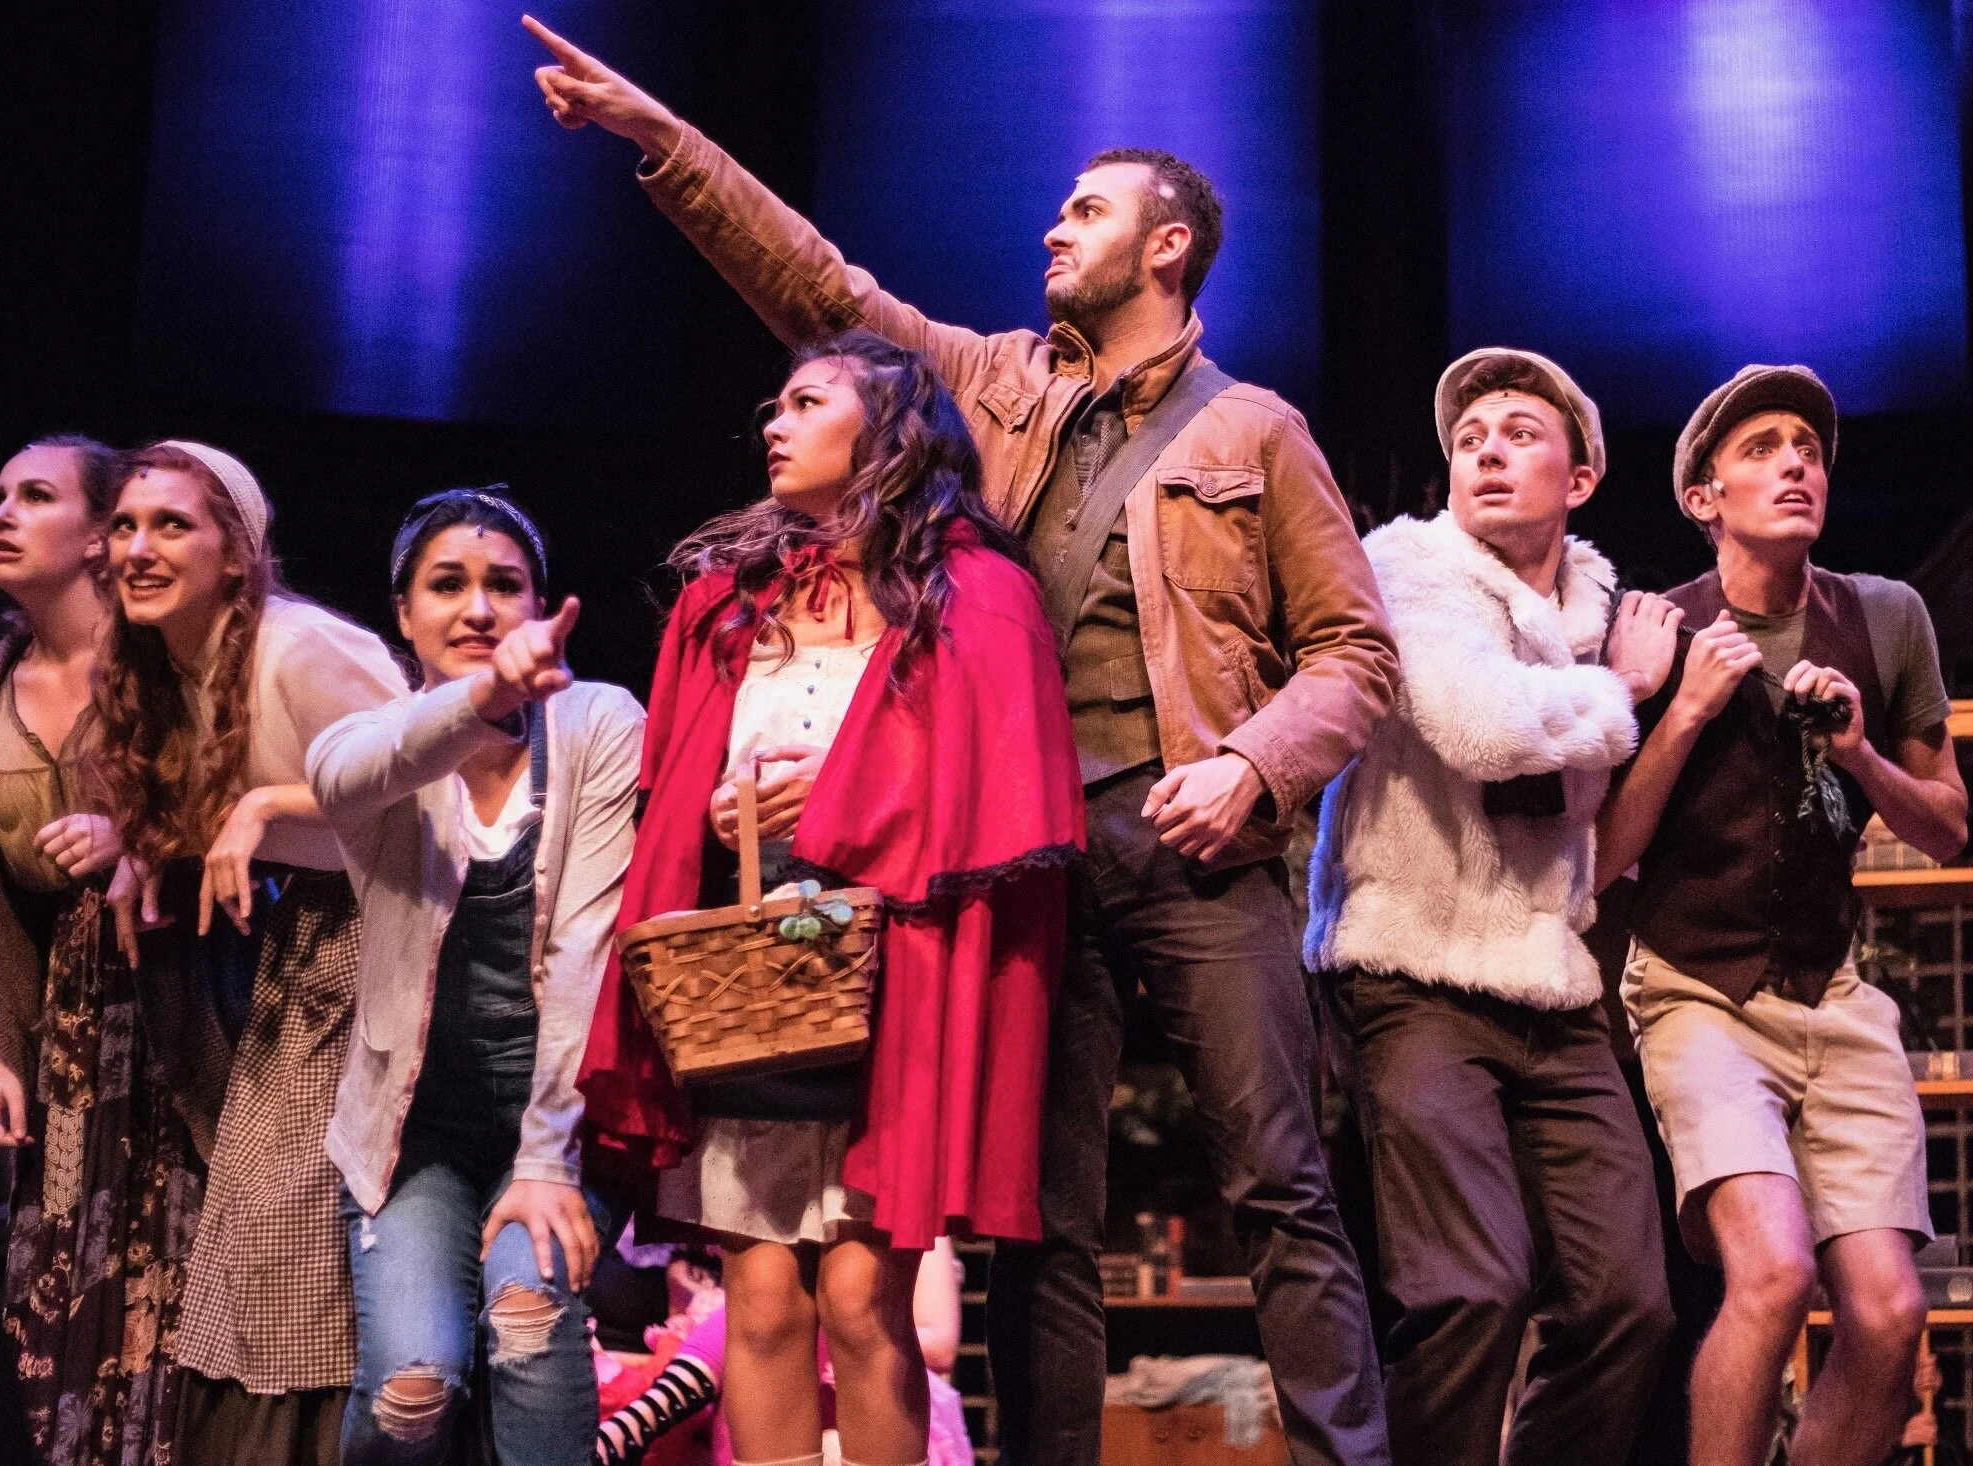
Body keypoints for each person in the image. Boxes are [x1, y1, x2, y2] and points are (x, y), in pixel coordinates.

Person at [524, 21, 1398, 1463]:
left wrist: (1252, 762)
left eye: (1087, 210)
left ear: (1168, 245)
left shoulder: (1258, 431)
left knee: (1281, 1182)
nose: (1054, 228)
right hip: (1018, 849)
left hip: (1194, 835)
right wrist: (659, 141)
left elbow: (1358, 653)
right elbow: (820, 288)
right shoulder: (993, 383)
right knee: (1039, 1217)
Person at [577, 330, 1084, 1466]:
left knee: (861, 1295)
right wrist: (721, 812)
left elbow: (1004, 788)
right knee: (760, 1301)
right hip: (752, 977)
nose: (776, 423)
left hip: (899, 970)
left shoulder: (976, 596)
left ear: (888, 431)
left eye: (807, 402)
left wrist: (846, 796)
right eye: (775, 406)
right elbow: (675, 782)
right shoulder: (728, 601)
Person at [1304, 350, 1675, 1462]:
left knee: (1627, 1303)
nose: (1487, 453)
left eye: (1519, 434)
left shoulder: (1598, 609)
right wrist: (1629, 689)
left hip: (1551, 990)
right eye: (1469, 440)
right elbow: (1480, 723)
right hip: (1411, 974)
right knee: (1470, 1290)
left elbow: (1584, 819)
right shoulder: (1407, 566)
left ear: (1582, 477)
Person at [1594, 366, 1969, 1466]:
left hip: (1831, 990)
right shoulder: (1654, 631)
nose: (1795, 464)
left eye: (1807, 448)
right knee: (1771, 1271)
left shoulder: (1886, 617)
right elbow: (1601, 857)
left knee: (1891, 1314)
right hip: (1695, 989)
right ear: (1703, 497)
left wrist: (1859, 754)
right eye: (1760, 449)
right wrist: (1682, 710)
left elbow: (1948, 826)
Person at [310, 487, 643, 1464]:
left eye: (506, 584)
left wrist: (546, 1161)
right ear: (405, 613)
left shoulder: (597, 721)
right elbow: (337, 776)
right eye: (447, 585)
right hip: (414, 1137)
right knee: (411, 1388)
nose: (478, 608)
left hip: (565, 1120)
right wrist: (482, 698)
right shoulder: (375, 741)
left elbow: (585, 946)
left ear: (539, 606)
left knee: (530, 1313)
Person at [93, 440, 410, 1465]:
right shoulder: (168, 666)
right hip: (308, 939)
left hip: (387, 939)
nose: (139, 547)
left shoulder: (298, 649)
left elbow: (426, 787)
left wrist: (266, 806)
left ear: (236, 553)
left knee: (298, 1220)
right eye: (126, 525)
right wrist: (148, 849)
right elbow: (211, 798)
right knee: (248, 1219)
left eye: (171, 524)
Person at [0, 435, 209, 1465]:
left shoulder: (165, 671)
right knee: (49, 1276)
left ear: (98, 536)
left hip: (176, 1014)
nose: (1, 513)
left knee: (159, 1270)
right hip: (66, 1026)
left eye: (35, 496)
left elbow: (240, 821)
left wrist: (138, 839)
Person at [593, 1241, 974, 1466]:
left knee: (765, 1316)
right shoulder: (711, 1245)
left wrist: (835, 1335)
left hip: (865, 1379)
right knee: (752, 1321)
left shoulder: (903, 1215)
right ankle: (635, 1423)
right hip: (756, 1380)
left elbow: (941, 1344)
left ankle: (634, 1424)